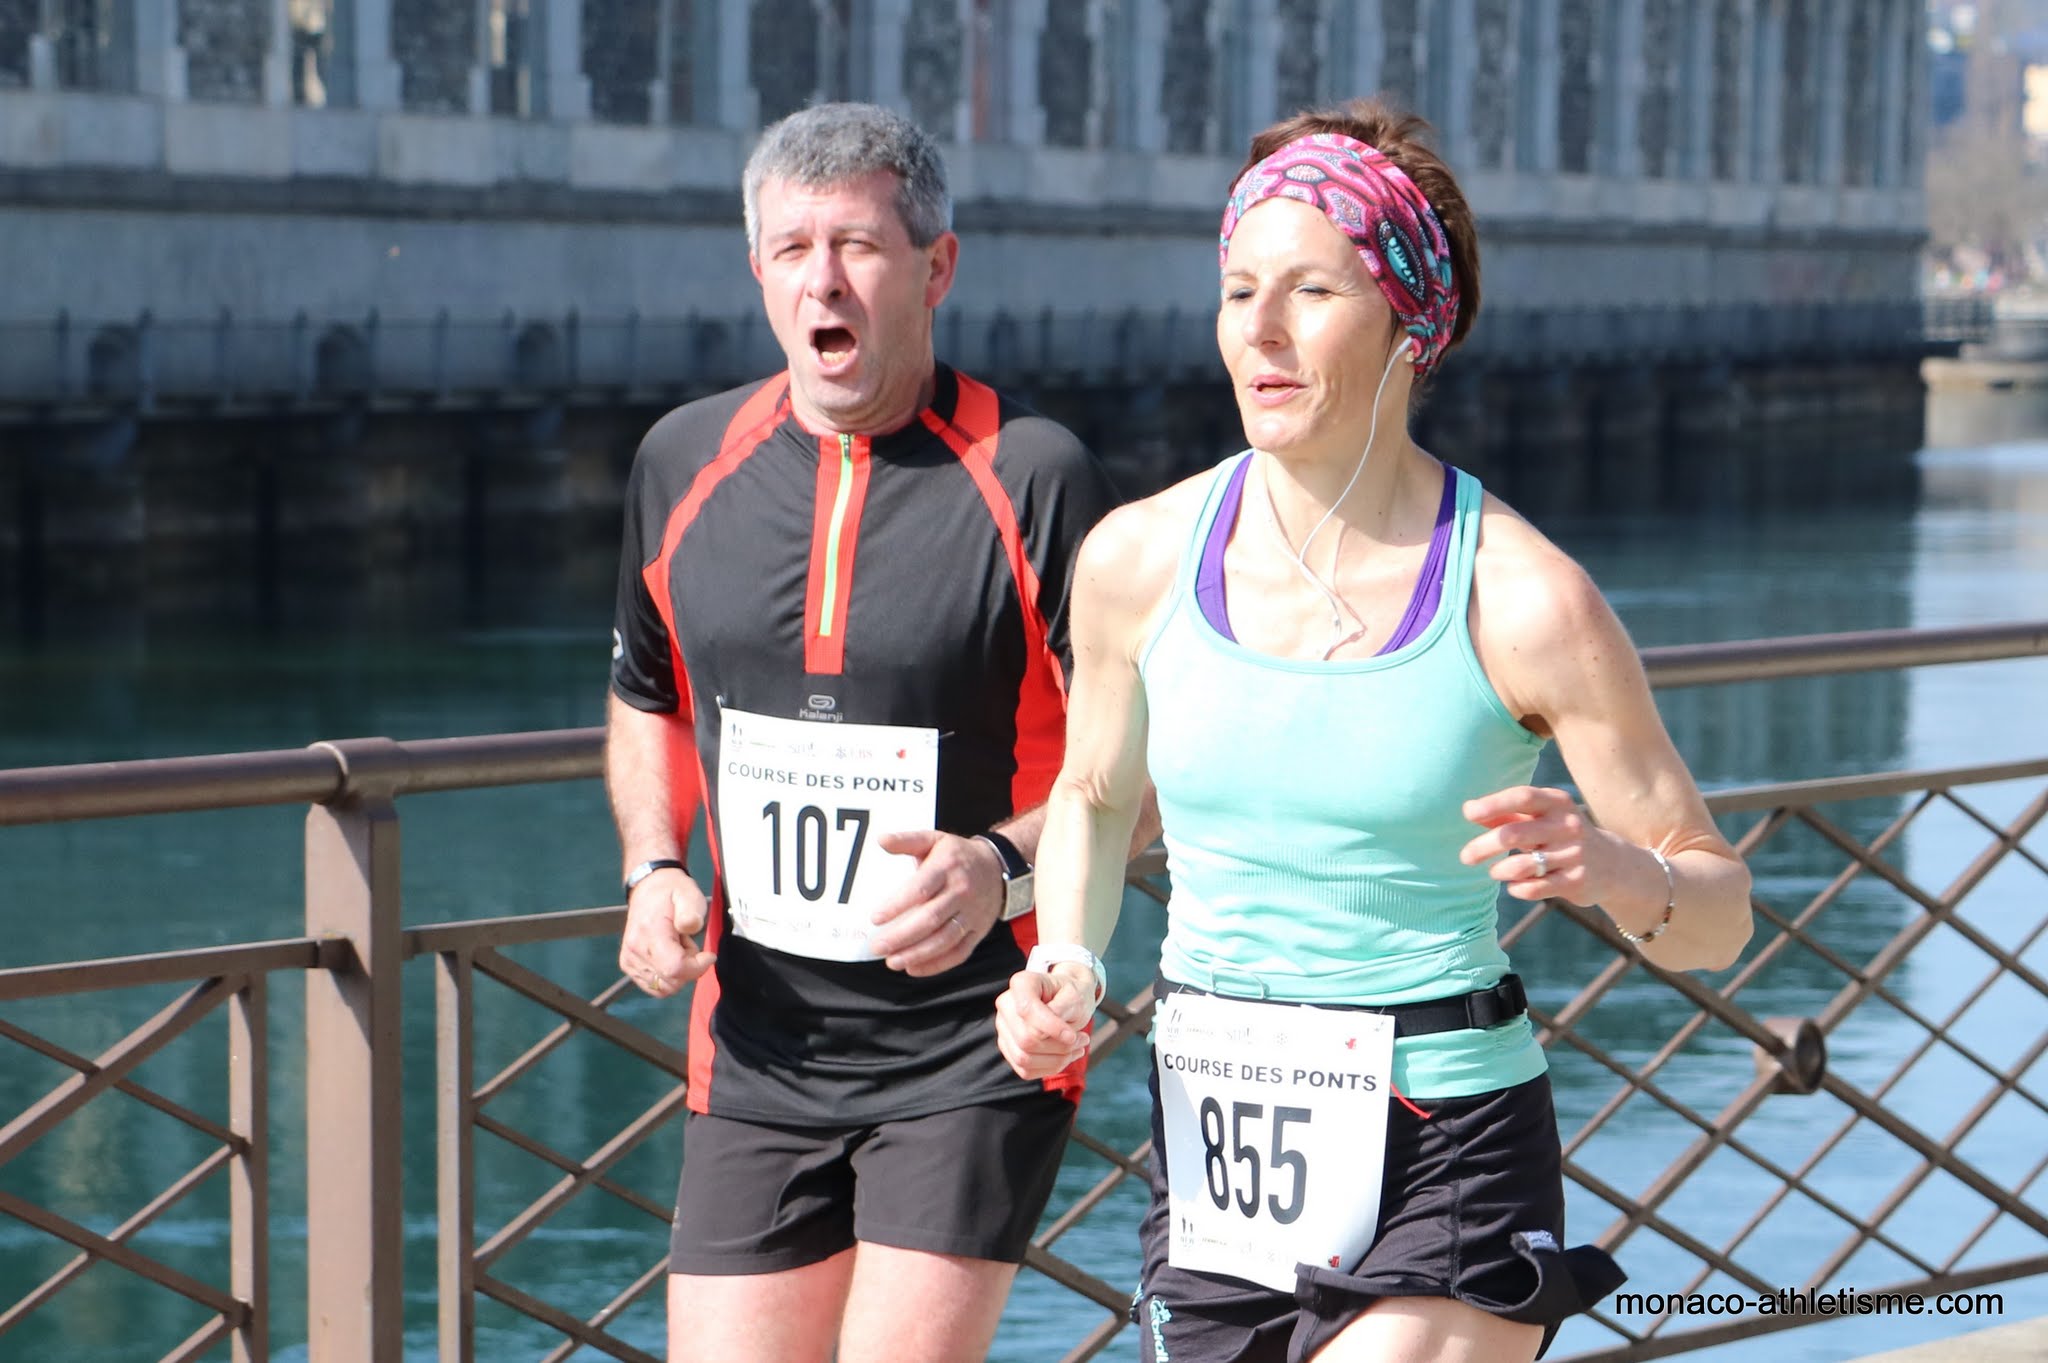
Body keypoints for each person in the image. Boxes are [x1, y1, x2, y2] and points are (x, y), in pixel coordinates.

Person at [995, 98, 1754, 1363]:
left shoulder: (1521, 598)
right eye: (1238, 291)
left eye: (1309, 291)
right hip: (1217, 1150)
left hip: (1446, 1144)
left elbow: (1720, 910)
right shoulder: (1134, 560)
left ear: (1411, 325)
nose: (1261, 329)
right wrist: (1064, 958)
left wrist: (1615, 870)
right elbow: (1092, 793)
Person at [607, 102, 1127, 1363]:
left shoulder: (1035, 474)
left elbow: (1134, 772)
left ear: (935, 268)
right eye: (792, 249)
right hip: (757, 1044)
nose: (822, 280)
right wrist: (652, 864)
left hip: (976, 1040)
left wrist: (998, 865)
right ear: (757, 270)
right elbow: (646, 694)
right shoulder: (681, 462)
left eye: (857, 245)